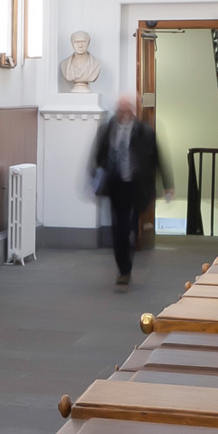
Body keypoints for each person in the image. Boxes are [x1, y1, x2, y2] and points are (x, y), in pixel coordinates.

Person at [89, 93, 162, 289]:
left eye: (128, 109)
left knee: (130, 226)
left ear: (133, 110)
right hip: (115, 185)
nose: (124, 113)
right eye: (121, 110)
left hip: (135, 185)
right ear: (117, 110)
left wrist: (166, 185)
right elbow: (97, 155)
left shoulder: (144, 132)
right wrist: (92, 179)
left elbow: (157, 159)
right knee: (118, 229)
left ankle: (126, 264)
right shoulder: (107, 130)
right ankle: (124, 270)